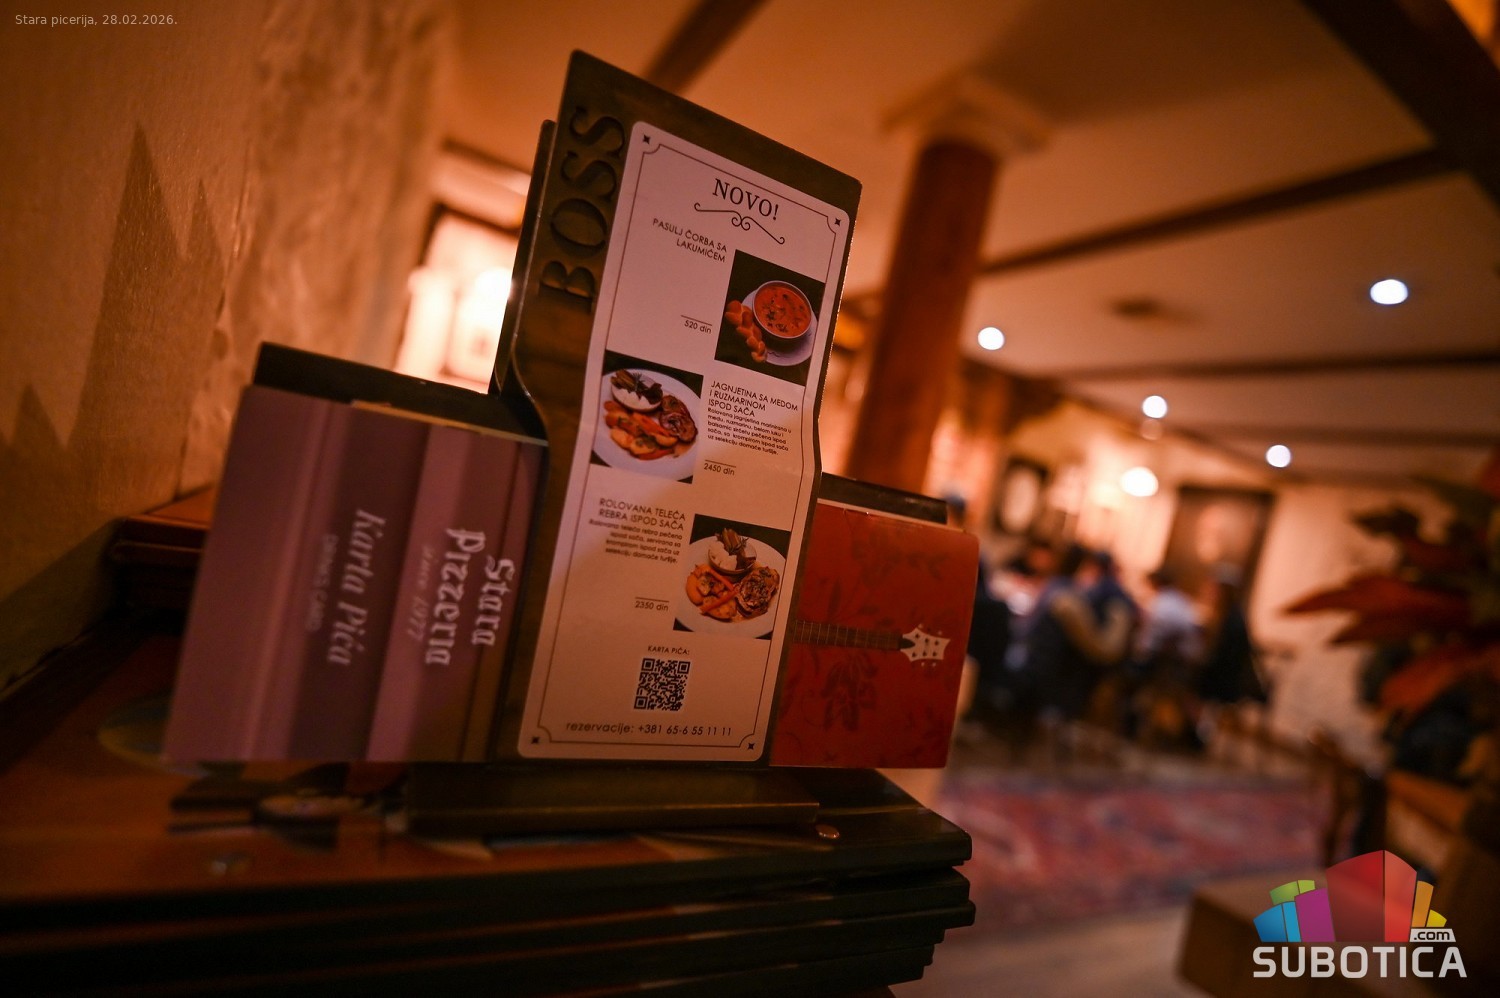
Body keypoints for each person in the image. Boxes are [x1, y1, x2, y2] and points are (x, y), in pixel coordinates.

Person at [1023, 544, 1134, 726]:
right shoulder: (1082, 593)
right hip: (1084, 664)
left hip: (1054, 665)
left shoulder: (1068, 593)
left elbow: (1105, 647)